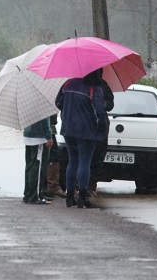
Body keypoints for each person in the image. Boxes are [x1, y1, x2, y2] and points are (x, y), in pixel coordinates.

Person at [55, 70, 108, 209]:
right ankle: (82, 198)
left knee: (73, 161)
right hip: (87, 131)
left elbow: (58, 103)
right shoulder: (94, 88)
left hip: (68, 129)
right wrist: (102, 129)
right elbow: (101, 113)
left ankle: (70, 197)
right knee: (85, 162)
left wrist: (70, 110)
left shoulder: (68, 84)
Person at [88, 68, 114, 198]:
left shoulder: (103, 85)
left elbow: (111, 104)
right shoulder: (83, 85)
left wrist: (103, 104)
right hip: (88, 126)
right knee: (87, 158)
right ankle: (80, 185)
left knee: (98, 158)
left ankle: (92, 186)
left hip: (101, 127)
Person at [22, 116, 54, 205]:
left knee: (29, 166)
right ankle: (35, 196)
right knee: (38, 167)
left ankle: (28, 194)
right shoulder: (42, 103)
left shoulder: (26, 102)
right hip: (39, 137)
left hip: (28, 134)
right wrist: (48, 136)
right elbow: (45, 120)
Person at [43, 114, 67, 199]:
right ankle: (52, 186)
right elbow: (53, 120)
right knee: (53, 157)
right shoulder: (47, 102)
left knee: (41, 159)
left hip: (35, 132)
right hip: (47, 131)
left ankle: (44, 187)